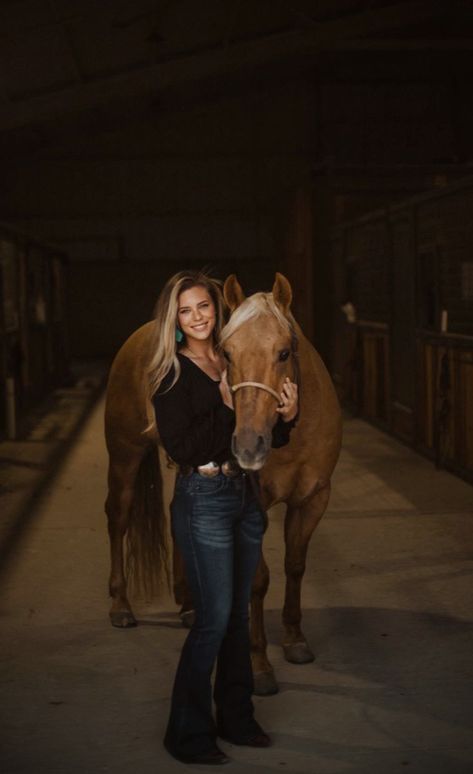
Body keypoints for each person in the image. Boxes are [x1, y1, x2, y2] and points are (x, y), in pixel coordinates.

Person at [151, 270, 298, 766]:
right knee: (212, 619)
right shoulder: (172, 372)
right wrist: (223, 407)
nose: (197, 317)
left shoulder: (234, 357)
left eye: (203, 307)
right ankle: (187, 733)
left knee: (237, 615)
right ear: (175, 320)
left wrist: (287, 417)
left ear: (218, 309)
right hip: (205, 496)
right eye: (186, 311)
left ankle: (236, 717)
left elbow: (264, 440)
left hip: (245, 496)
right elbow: (182, 448)